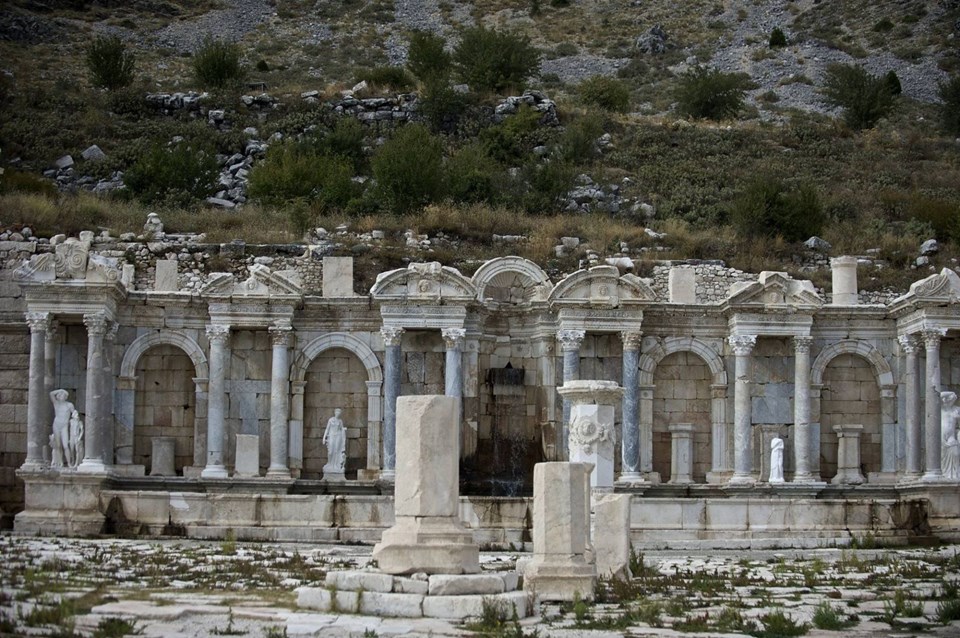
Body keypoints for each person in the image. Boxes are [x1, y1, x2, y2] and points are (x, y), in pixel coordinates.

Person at [49, 389, 75, 468]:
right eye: (59, 395)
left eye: (62, 395)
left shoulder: (69, 405)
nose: (60, 396)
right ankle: (60, 463)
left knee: (65, 445)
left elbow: (74, 414)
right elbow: (51, 393)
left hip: (64, 426)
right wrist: (60, 390)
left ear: (65, 397)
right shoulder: (56, 404)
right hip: (56, 425)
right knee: (58, 445)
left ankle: (69, 463)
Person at [941, 391, 960, 480]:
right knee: (943, 458)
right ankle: (946, 474)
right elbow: (938, 395)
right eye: (951, 398)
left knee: (956, 454)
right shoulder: (941, 409)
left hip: (952, 436)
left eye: (953, 399)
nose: (952, 400)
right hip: (941, 437)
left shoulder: (956, 409)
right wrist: (952, 392)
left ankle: (955, 475)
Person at [322, 408, 346, 476]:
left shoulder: (340, 421)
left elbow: (342, 429)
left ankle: (336, 465)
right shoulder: (331, 420)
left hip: (338, 437)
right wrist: (324, 437)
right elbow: (327, 429)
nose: (338, 413)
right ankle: (330, 464)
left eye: (339, 412)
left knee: (336, 451)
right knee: (330, 451)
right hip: (331, 436)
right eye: (337, 412)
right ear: (335, 413)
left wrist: (344, 430)